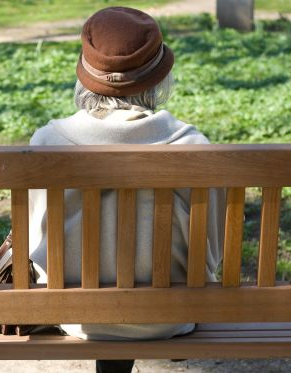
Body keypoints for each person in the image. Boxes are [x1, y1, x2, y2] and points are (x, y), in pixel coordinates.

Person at [27, 7, 226, 373]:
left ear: (86, 76)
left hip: (76, 318)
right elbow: (211, 253)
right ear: (159, 79)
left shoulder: (47, 141)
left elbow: (32, 241)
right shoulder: (192, 146)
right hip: (171, 317)